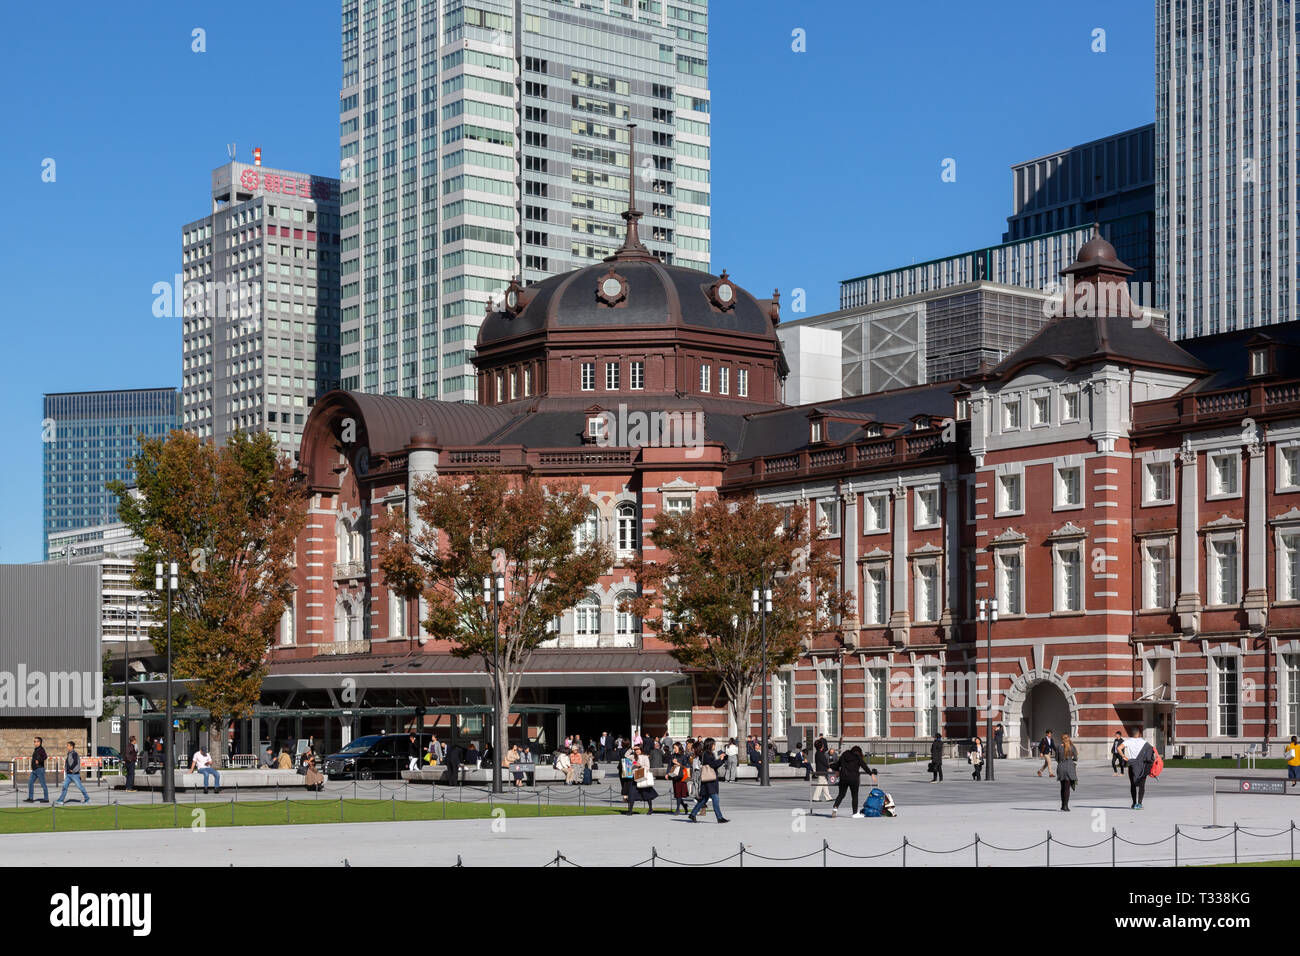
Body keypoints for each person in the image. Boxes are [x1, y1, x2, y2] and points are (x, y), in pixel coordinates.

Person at [687, 738, 729, 823]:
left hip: (707, 780)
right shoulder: (707, 754)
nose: (714, 746)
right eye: (713, 744)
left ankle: (693, 814)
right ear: (710, 745)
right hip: (710, 780)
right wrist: (721, 760)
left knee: (704, 799)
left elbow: (712, 764)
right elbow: (713, 765)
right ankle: (719, 817)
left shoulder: (706, 754)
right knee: (715, 798)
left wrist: (721, 760)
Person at [830, 745, 872, 817]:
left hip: (843, 778)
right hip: (854, 779)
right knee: (854, 796)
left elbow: (837, 765)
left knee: (841, 794)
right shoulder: (857, 757)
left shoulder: (844, 755)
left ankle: (835, 809)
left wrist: (831, 766)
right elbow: (864, 766)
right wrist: (871, 774)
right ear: (859, 752)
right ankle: (855, 813)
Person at [1120, 728, 1155, 809]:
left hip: (1132, 765)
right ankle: (1139, 804)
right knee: (1142, 785)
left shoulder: (1128, 741)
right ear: (1139, 734)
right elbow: (1151, 750)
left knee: (1132, 784)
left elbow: (1119, 748)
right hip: (1142, 766)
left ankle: (1133, 803)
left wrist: (1123, 756)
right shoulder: (1144, 742)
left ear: (1131, 734)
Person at [625, 743, 658, 814]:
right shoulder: (633, 756)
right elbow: (626, 756)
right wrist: (631, 748)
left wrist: (640, 766)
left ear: (641, 749)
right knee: (631, 794)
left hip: (642, 777)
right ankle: (630, 810)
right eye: (636, 750)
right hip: (634, 777)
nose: (637, 751)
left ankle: (650, 809)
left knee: (646, 793)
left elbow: (647, 767)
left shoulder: (645, 757)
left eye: (638, 749)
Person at [53, 741, 89, 805]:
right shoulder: (69, 754)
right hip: (69, 775)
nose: (67, 747)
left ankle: (87, 798)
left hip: (74, 774)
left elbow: (75, 762)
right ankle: (61, 800)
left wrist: (71, 769)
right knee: (64, 786)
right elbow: (68, 763)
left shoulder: (74, 753)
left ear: (71, 747)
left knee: (80, 787)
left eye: (68, 746)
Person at [23, 736, 49, 803]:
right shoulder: (36, 749)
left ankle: (46, 799)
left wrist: (39, 760)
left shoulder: (41, 749)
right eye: (34, 741)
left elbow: (45, 756)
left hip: (40, 769)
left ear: (40, 742)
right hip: (35, 770)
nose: (35, 743)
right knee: (30, 783)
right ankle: (31, 798)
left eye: (37, 741)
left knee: (43, 784)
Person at [1057, 734, 1079, 811]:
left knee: (1062, 788)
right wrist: (1071, 758)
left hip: (1061, 768)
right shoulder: (1072, 747)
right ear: (1069, 739)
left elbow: (1057, 758)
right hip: (1069, 768)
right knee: (1067, 788)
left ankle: (1063, 805)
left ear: (1062, 739)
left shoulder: (1059, 747)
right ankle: (1066, 805)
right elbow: (1076, 758)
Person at [669, 742, 691, 814]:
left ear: (679, 747)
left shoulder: (683, 756)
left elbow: (686, 766)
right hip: (674, 776)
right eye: (673, 748)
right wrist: (667, 773)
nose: (674, 749)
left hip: (681, 776)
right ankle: (684, 806)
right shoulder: (673, 756)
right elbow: (669, 765)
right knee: (677, 794)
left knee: (679, 794)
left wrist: (678, 763)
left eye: (675, 747)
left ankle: (677, 809)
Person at [811, 738, 832, 802]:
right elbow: (824, 762)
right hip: (821, 771)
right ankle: (815, 797)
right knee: (820, 784)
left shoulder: (818, 752)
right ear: (821, 746)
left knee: (824, 784)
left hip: (821, 770)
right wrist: (828, 767)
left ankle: (828, 797)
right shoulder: (820, 753)